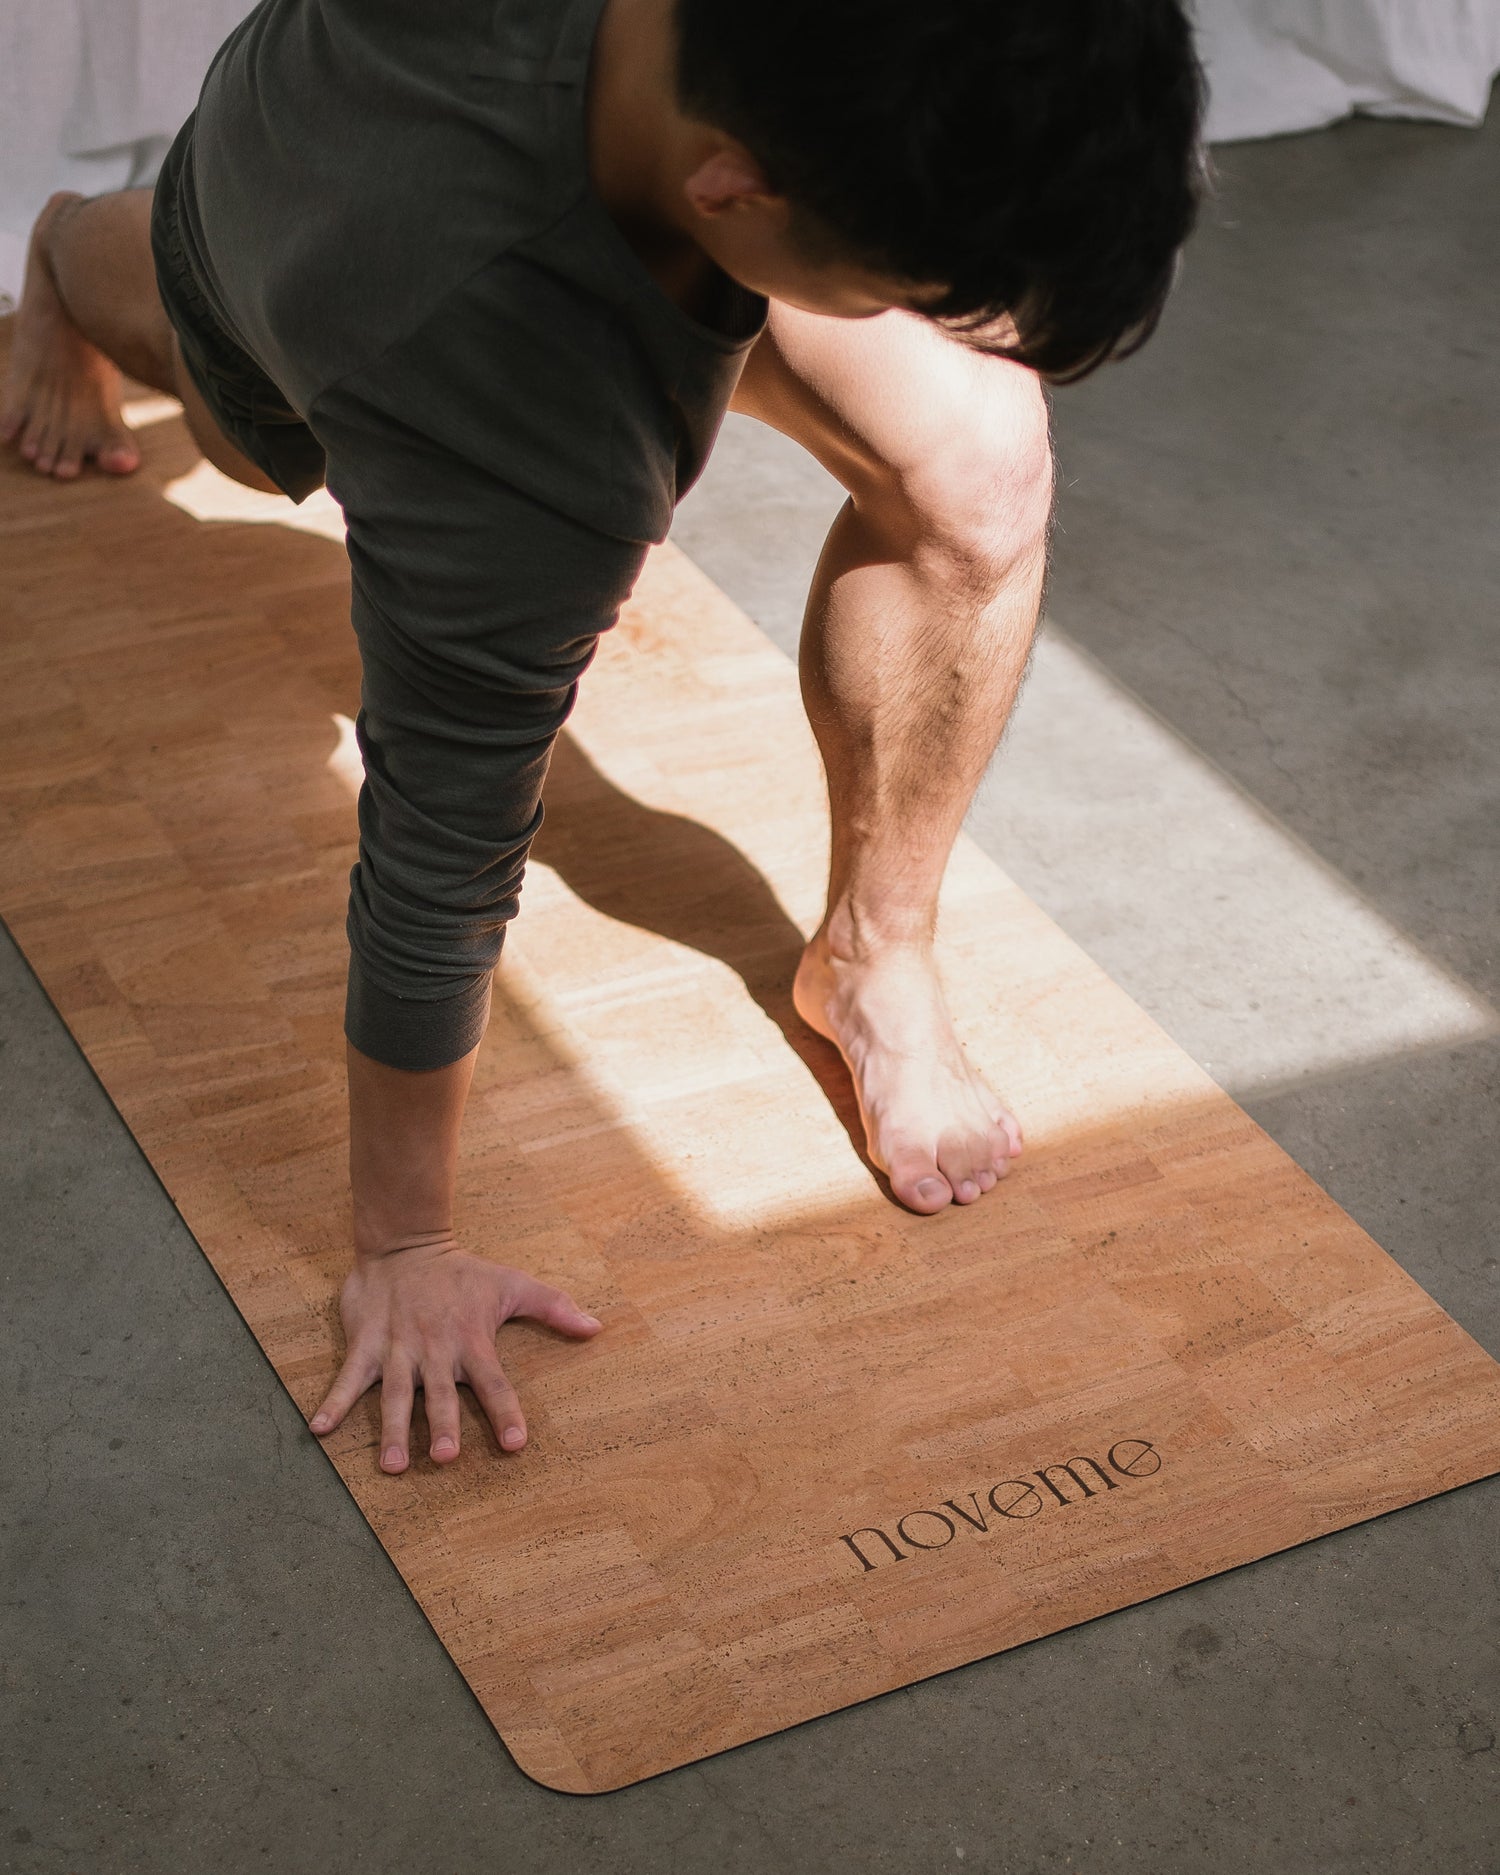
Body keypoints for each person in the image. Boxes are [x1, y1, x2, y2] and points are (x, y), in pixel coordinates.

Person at [0, 0, 1204, 1473]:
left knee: (978, 460)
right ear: (735, 192)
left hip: (514, 102)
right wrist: (406, 1241)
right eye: (920, 285)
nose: (953, 321)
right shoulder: (513, 415)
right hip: (323, 216)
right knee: (231, 386)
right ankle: (64, 254)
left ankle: (873, 951)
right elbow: (439, 839)